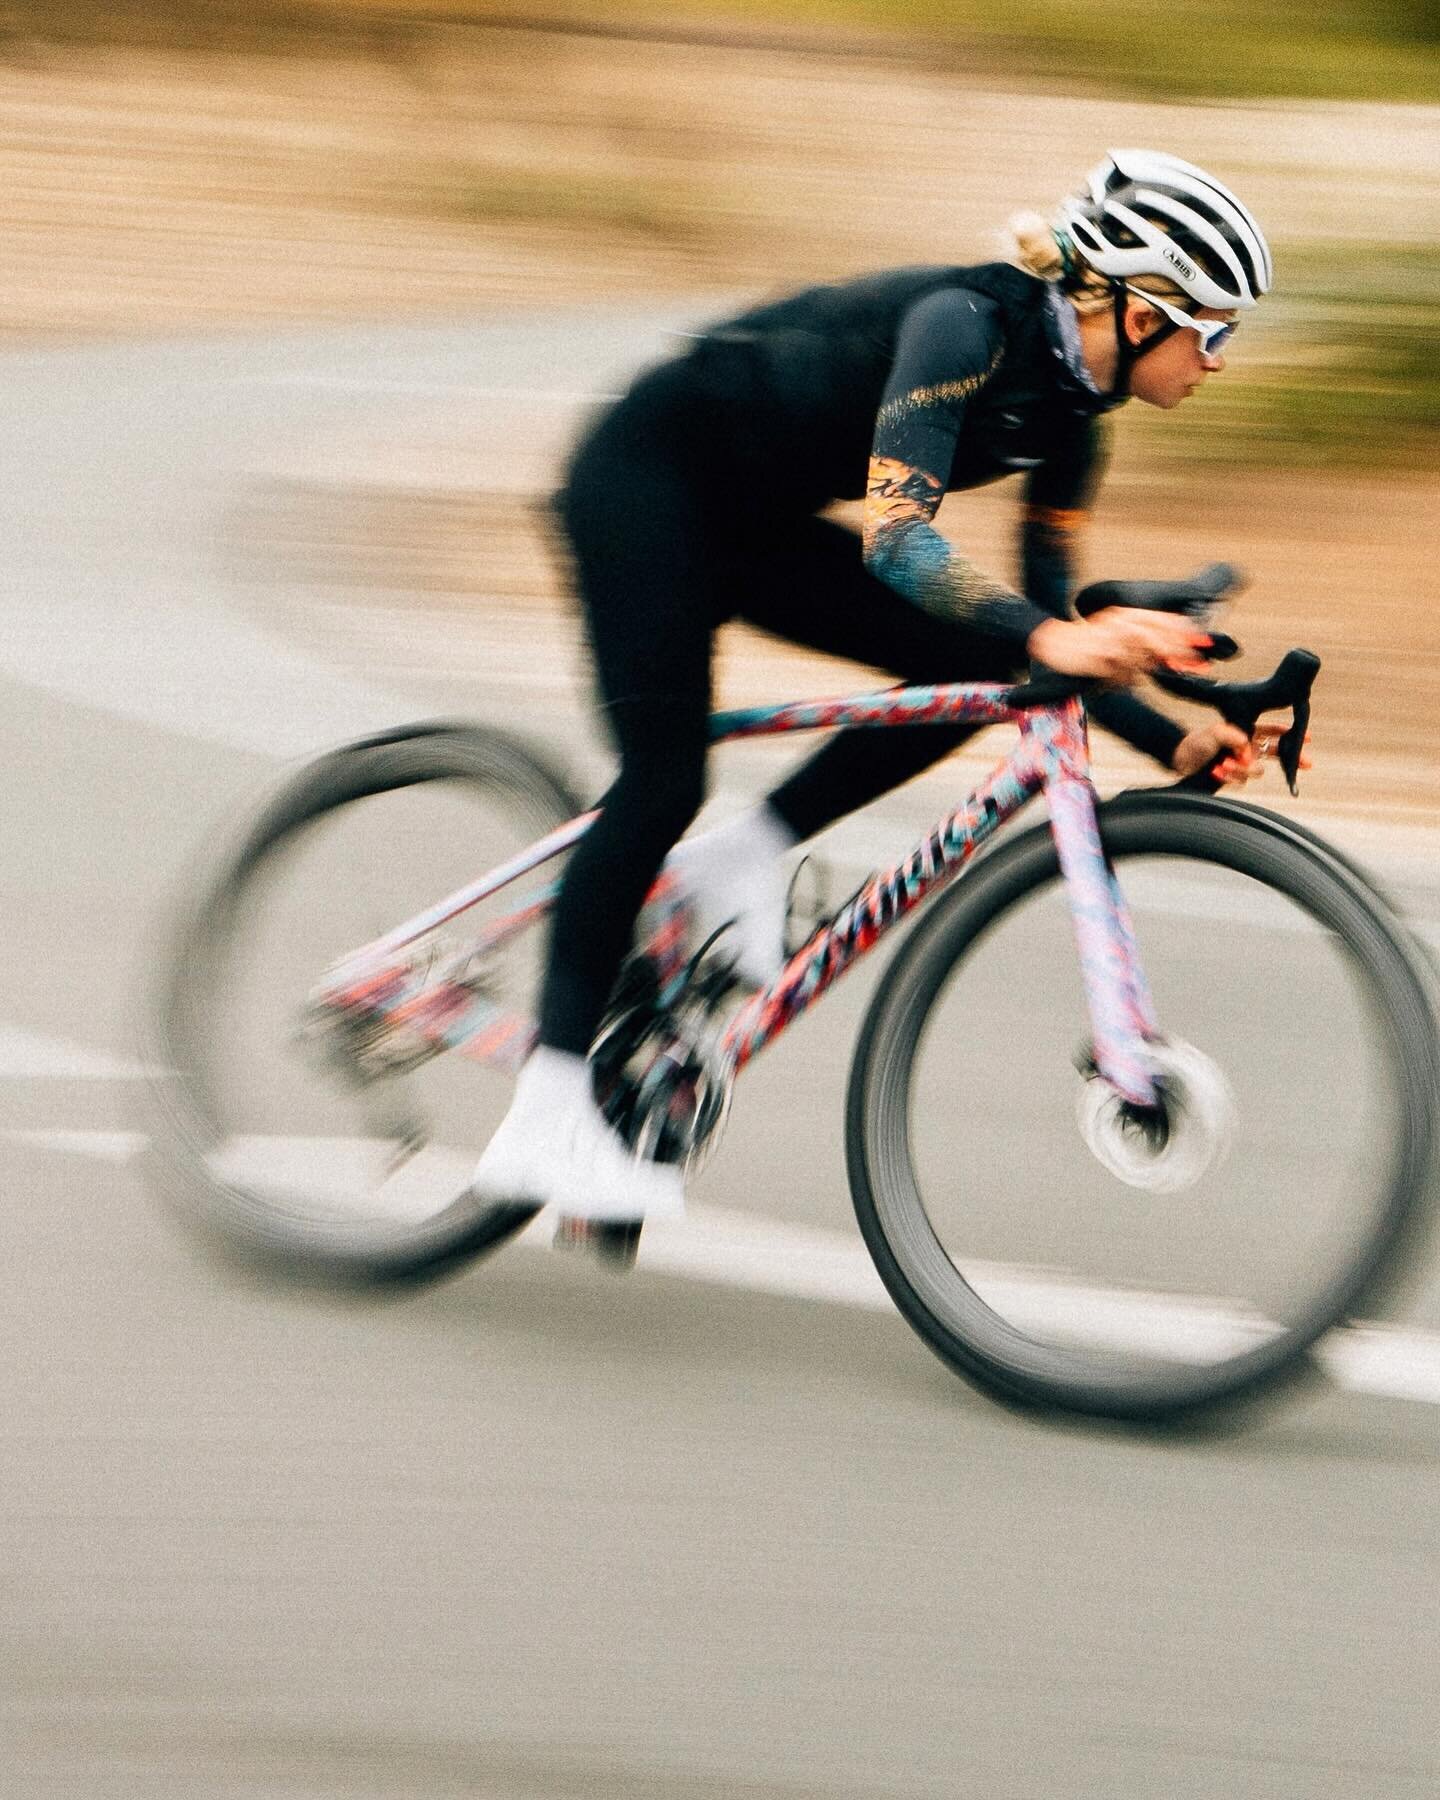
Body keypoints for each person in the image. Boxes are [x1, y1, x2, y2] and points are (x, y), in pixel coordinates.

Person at [472, 147, 1274, 1224]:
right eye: (1214, 329)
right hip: (645, 480)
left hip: (752, 525)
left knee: (976, 659)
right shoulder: (966, 326)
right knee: (661, 784)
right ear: (1141, 313)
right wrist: (1051, 634)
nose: (1219, 359)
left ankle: (740, 860)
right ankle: (545, 1112)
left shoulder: (1074, 420)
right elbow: (901, 544)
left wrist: (1170, 739)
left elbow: (1041, 640)